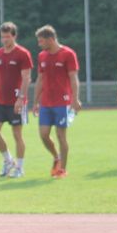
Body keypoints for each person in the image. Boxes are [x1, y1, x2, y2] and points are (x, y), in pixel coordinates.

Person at [0, 22, 33, 178]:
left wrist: (21, 98)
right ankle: (8, 160)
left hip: (16, 102)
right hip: (0, 101)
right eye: (2, 37)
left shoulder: (22, 54)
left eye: (7, 37)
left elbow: (26, 78)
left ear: (14, 36)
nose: (4, 40)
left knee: (17, 135)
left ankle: (19, 167)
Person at [32, 25, 81, 178]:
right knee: (44, 134)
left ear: (51, 39)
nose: (39, 44)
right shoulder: (42, 56)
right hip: (46, 102)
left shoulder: (68, 54)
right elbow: (40, 79)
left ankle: (62, 169)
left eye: (41, 41)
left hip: (63, 102)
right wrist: (35, 101)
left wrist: (75, 98)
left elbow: (73, 78)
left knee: (61, 136)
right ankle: (56, 157)